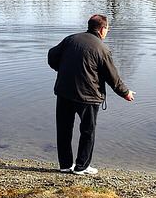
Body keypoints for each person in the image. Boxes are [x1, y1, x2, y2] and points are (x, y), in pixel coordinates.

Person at [47, 14, 135, 175]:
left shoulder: (70, 40)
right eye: (107, 29)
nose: (107, 31)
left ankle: (65, 165)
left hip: (64, 92)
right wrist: (125, 93)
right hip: (88, 96)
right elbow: (112, 77)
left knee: (64, 129)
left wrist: (62, 69)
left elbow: (52, 56)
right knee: (87, 131)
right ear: (102, 29)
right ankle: (82, 166)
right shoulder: (102, 48)